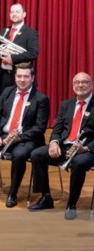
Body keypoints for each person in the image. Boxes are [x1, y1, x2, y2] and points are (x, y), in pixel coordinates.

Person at [0, 62, 49, 207]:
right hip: (3, 135)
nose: (22, 79)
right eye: (19, 76)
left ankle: (12, 193)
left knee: (18, 156)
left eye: (26, 76)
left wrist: (17, 138)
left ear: (32, 78)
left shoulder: (41, 99)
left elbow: (39, 128)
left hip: (26, 139)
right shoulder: (7, 92)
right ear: (15, 77)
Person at [28, 72, 94, 219]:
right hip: (66, 146)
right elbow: (57, 128)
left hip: (87, 150)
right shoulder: (66, 104)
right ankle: (46, 197)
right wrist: (53, 142)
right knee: (37, 154)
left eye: (84, 82)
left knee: (78, 163)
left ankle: (72, 203)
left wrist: (87, 148)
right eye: (77, 82)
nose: (80, 85)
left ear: (91, 85)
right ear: (72, 85)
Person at [0, 3, 39, 97]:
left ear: (24, 14)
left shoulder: (30, 32)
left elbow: (33, 53)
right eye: (12, 12)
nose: (14, 14)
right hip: (3, 75)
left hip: (20, 75)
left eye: (17, 12)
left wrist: (12, 58)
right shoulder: (4, 31)